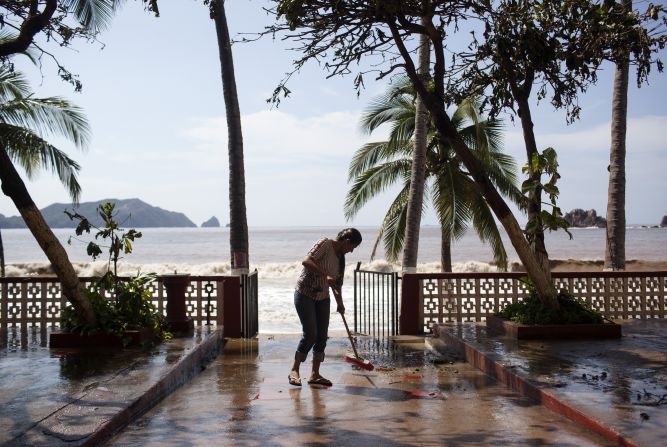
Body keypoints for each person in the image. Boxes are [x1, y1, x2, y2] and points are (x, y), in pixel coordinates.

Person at [288, 228, 362, 387]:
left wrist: (340, 302)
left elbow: (336, 284)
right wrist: (325, 274)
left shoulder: (341, 259)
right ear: (346, 242)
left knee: (322, 336)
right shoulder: (325, 243)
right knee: (311, 334)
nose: (352, 251)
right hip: (305, 294)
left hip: (323, 298)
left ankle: (315, 374)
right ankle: (294, 369)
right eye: (353, 247)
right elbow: (306, 261)